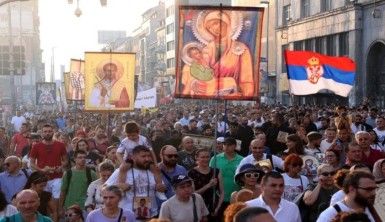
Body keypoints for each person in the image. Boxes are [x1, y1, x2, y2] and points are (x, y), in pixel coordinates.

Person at [197, 10, 255, 97]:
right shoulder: (206, 50)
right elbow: (201, 79)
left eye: (216, 23)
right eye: (209, 27)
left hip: (233, 96)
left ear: (226, 23)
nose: (214, 28)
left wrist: (238, 92)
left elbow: (247, 83)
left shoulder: (241, 50)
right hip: (210, 96)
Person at [105, 145, 161, 219]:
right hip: (128, 216)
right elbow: (104, 188)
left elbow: (161, 188)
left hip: (151, 215)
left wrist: (161, 187)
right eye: (143, 156)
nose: (147, 159)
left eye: (148, 156)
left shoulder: (152, 170)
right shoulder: (122, 170)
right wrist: (118, 187)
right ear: (133, 157)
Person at [29, 124, 68, 207]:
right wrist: (41, 170)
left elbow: (66, 161)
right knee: (44, 202)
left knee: (56, 200)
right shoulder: (36, 146)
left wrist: (60, 167)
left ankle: (56, 216)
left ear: (53, 132)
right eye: (45, 131)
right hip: (42, 178)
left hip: (57, 177)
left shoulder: (60, 145)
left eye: (49, 131)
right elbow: (31, 163)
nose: (47, 133)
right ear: (42, 133)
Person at [209, 137, 243, 216]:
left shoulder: (242, 160)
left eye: (229, 145)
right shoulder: (215, 158)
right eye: (224, 144)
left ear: (235, 146)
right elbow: (210, 175)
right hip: (218, 196)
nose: (226, 147)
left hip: (235, 196)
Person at [188, 148, 223, 219]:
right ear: (196, 158)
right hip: (198, 207)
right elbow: (192, 194)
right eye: (202, 157)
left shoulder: (216, 171)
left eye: (207, 157)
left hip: (213, 206)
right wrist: (208, 185)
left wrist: (217, 208)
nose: (206, 159)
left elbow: (222, 192)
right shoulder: (191, 173)